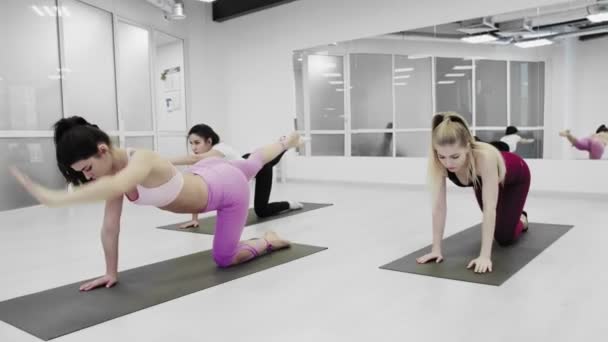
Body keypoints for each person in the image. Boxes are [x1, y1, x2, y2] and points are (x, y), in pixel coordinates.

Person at [10, 116, 304, 291]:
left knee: (224, 258)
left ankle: (268, 240)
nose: (88, 177)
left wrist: (56, 198)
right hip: (206, 175)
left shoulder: (141, 160)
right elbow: (110, 227)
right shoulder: (112, 170)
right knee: (251, 162)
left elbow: (116, 185)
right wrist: (111, 272)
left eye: (87, 169)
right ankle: (284, 141)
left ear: (102, 150)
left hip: (227, 192)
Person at [417, 112, 531, 274]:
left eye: (455, 156)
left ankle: (522, 219)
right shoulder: (439, 163)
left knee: (505, 238)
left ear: (468, 147)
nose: (448, 163)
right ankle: (512, 217)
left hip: (516, 176)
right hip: (483, 180)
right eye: (442, 156)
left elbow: (489, 207)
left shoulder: (484, 158)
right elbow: (439, 207)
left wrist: (485, 256)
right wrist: (436, 249)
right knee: (498, 228)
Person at [170, 124, 303, 229]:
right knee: (262, 159)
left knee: (262, 211)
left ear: (209, 141)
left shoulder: (221, 148)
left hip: (257, 169)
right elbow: (196, 187)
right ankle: (285, 144)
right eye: (191, 143)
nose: (193, 147)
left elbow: (194, 158)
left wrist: (167, 161)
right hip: (243, 163)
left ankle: (289, 204)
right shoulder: (203, 159)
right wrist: (194, 219)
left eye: (197, 143)